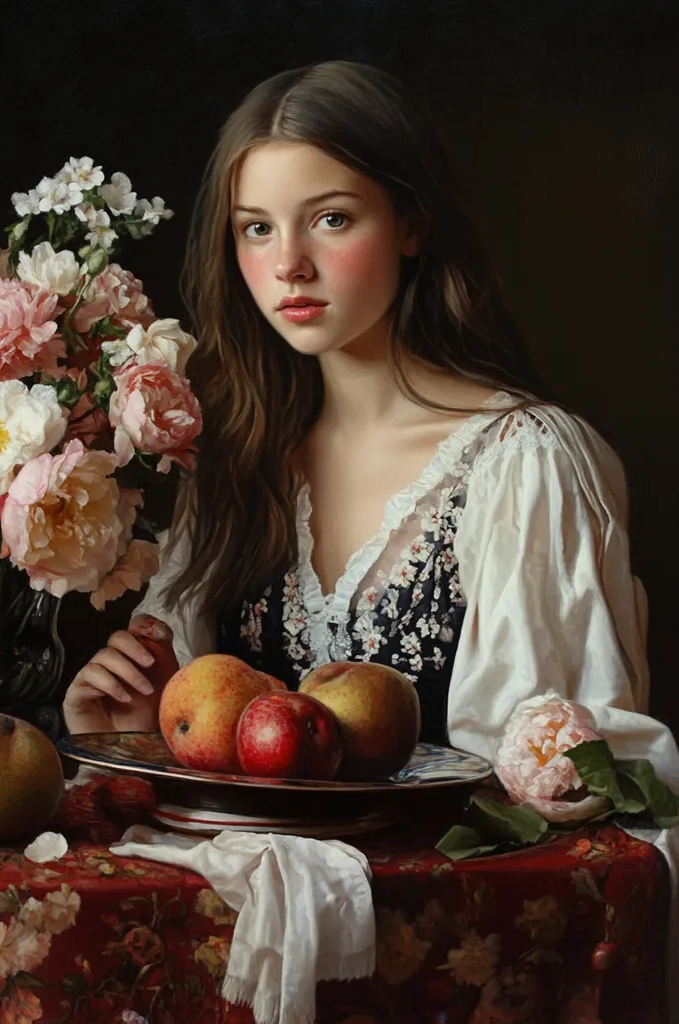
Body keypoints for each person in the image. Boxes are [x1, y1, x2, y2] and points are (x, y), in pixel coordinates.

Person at [62, 58, 678, 782]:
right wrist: (145, 736)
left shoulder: (524, 462)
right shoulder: (235, 461)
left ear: (411, 224)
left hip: (449, 890)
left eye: (331, 219)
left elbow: (563, 789)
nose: (289, 263)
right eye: (256, 228)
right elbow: (208, 759)